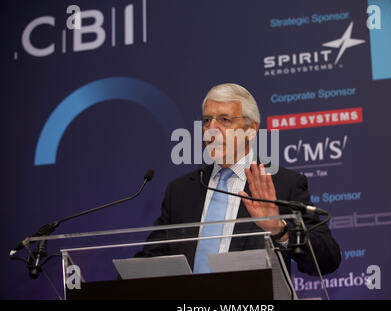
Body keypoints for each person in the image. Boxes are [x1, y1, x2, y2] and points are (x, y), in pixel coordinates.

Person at [135, 83, 341, 276]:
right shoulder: (180, 191)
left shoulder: (283, 184)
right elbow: (152, 258)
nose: (211, 129)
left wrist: (281, 230)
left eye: (225, 120)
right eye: (207, 120)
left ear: (251, 130)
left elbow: (327, 260)